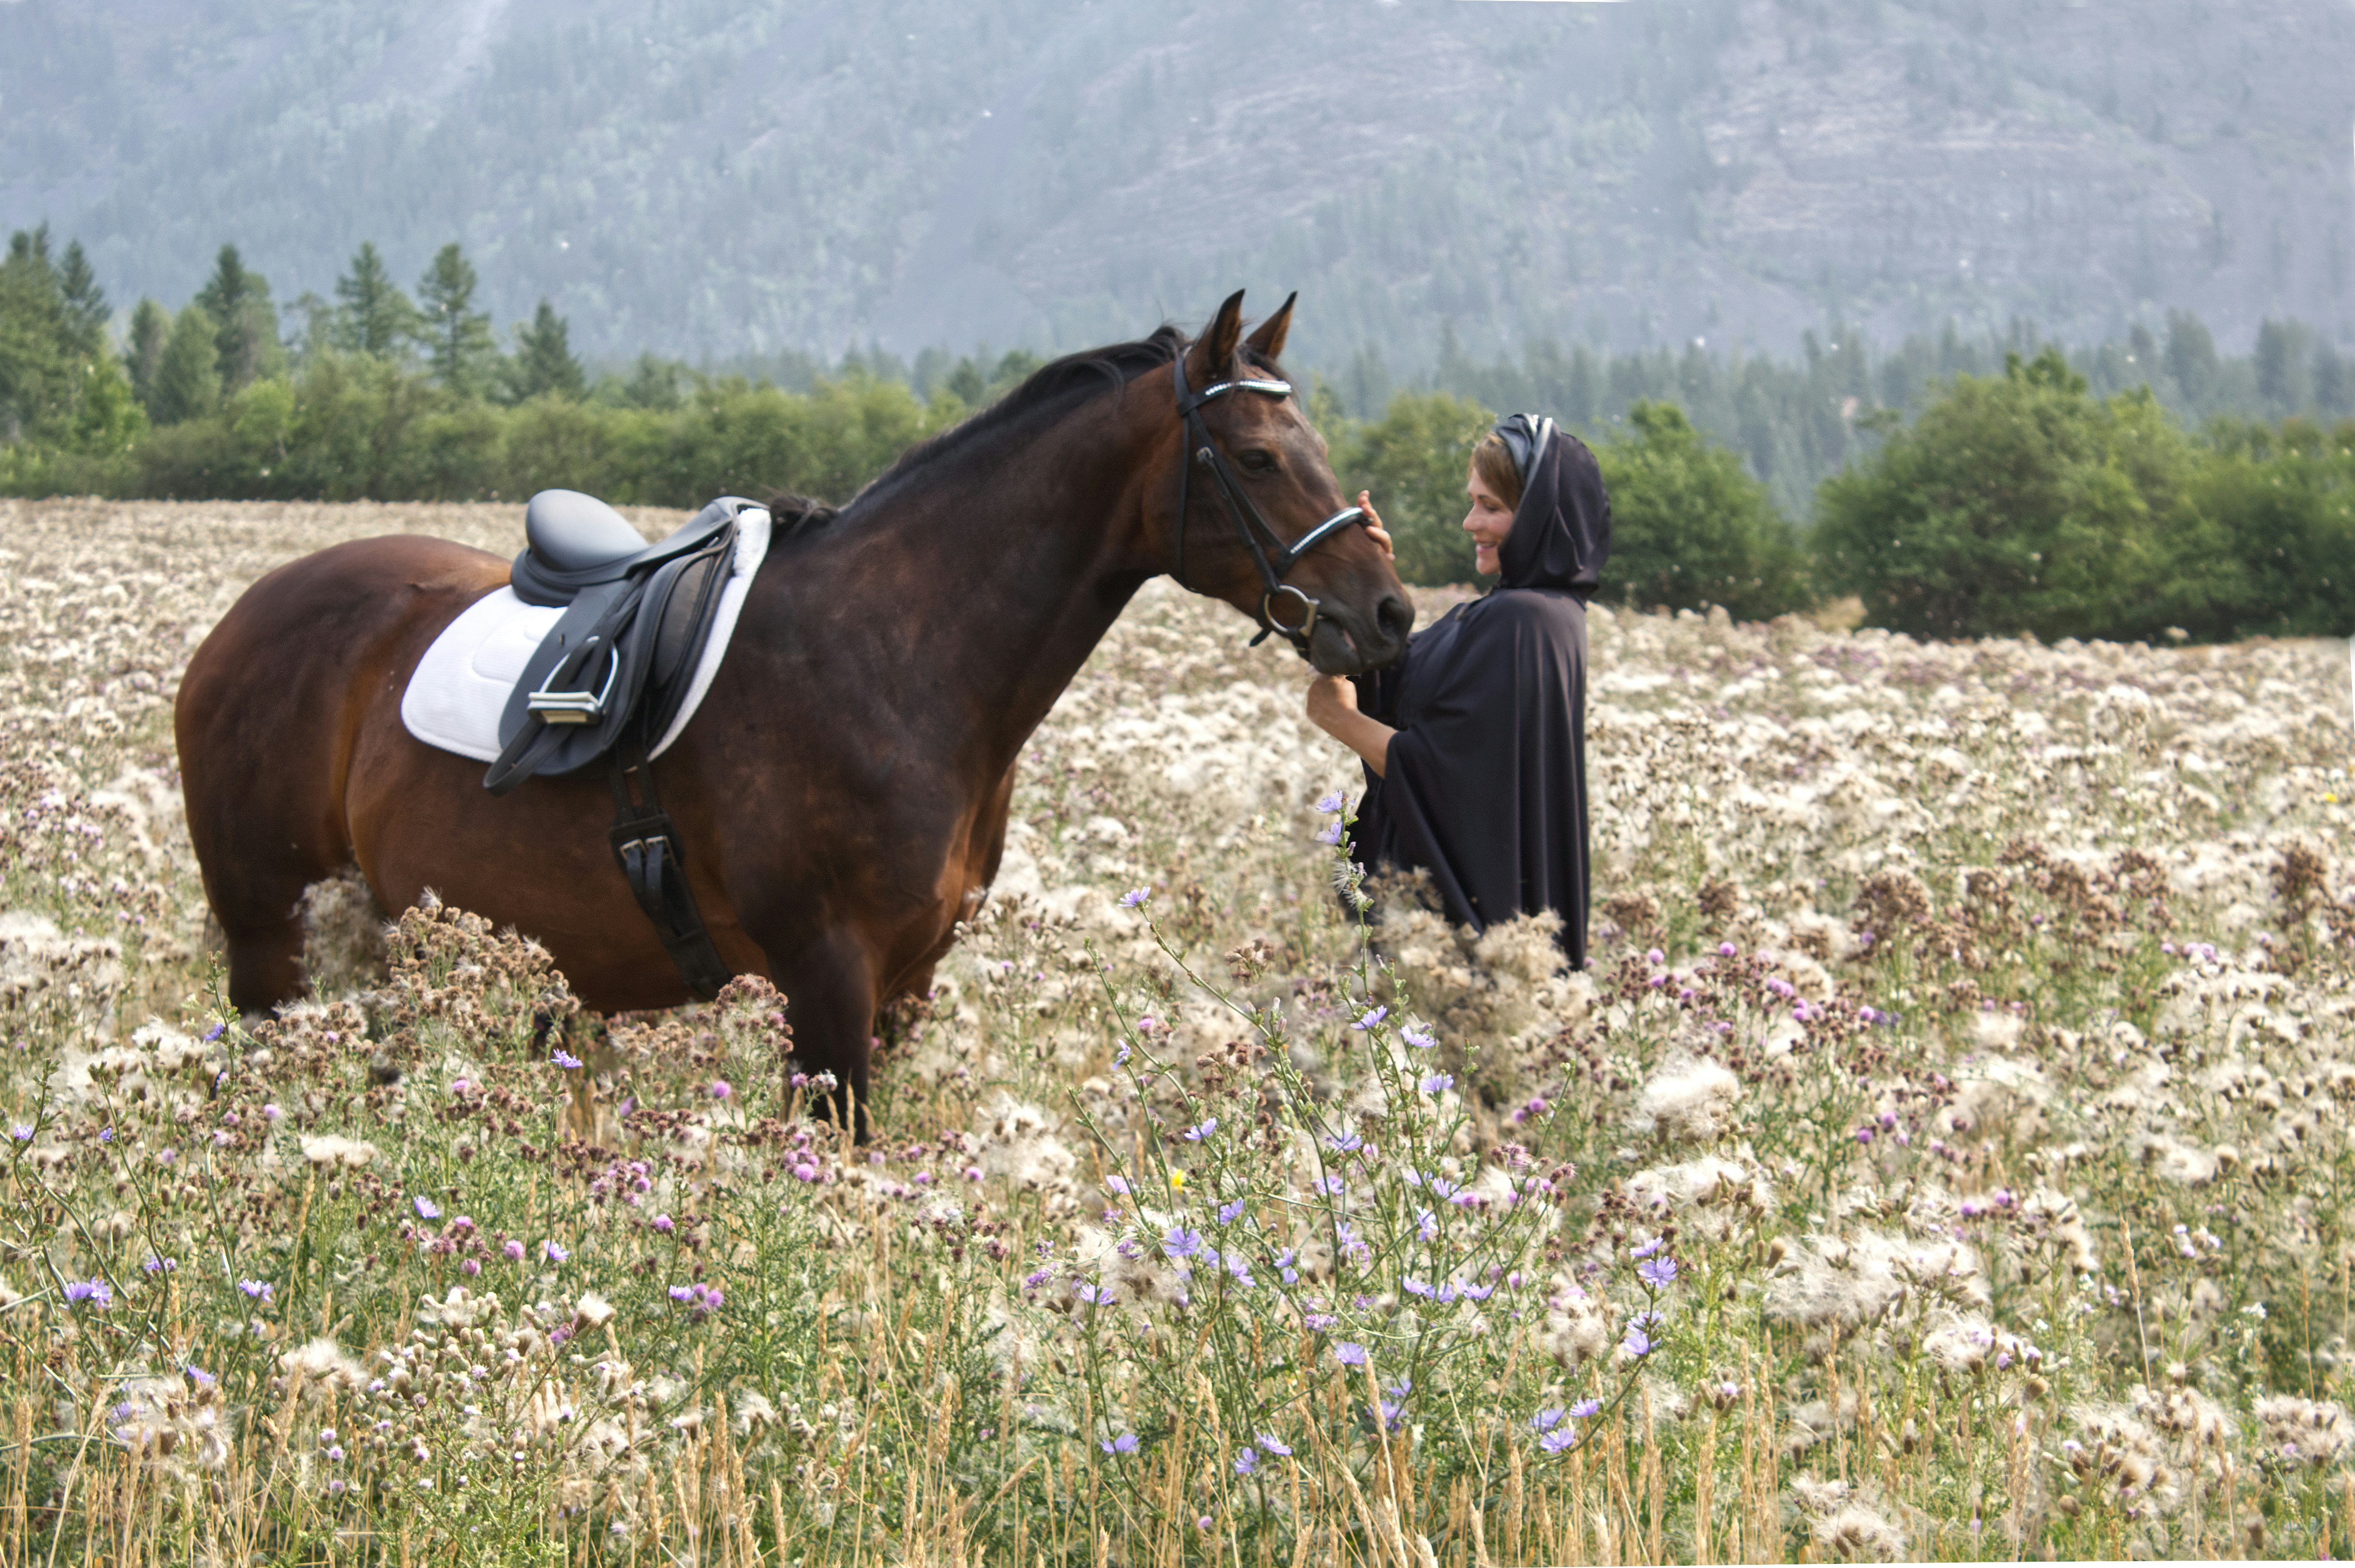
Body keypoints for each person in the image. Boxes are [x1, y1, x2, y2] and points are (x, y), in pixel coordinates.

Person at [1305, 414, 1610, 967]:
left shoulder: (1523, 620)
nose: (1471, 522)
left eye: (1492, 506)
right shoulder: (1520, 612)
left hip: (1463, 949)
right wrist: (1375, 577)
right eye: (1472, 502)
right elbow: (1418, 697)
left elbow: (1447, 772)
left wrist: (1339, 719)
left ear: (1542, 517)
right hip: (1472, 938)